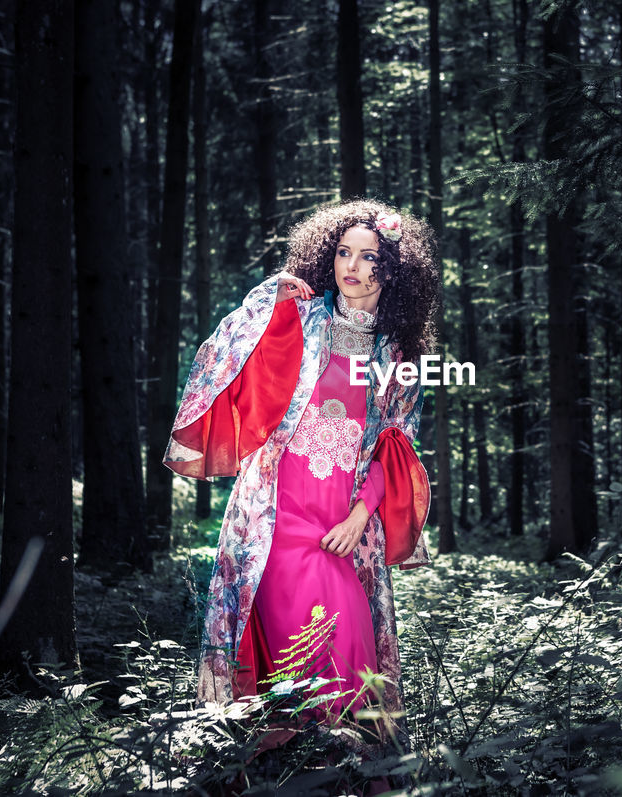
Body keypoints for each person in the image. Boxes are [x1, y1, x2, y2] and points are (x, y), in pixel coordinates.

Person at [164, 198, 440, 751]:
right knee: (277, 668)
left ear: (395, 272)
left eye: (370, 258)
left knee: (349, 655)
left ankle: (352, 774)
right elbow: (226, 358)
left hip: (340, 527)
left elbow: (397, 446)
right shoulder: (298, 318)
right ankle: (270, 772)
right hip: (271, 517)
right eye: (343, 253)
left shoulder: (400, 353)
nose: (352, 268)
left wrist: (362, 517)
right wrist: (267, 297)